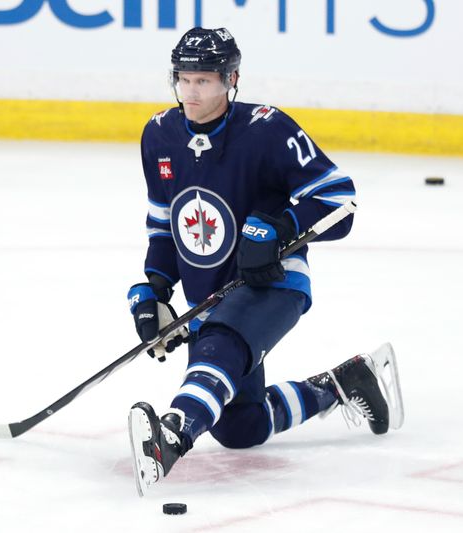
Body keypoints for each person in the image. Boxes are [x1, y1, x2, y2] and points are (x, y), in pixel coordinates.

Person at [126, 27, 403, 497]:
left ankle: (172, 435)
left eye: (204, 81)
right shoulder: (158, 135)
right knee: (240, 428)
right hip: (212, 296)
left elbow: (340, 201)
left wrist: (281, 227)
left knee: (220, 344)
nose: (191, 93)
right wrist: (154, 288)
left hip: (273, 284)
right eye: (184, 80)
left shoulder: (267, 129)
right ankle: (343, 384)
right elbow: (163, 224)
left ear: (232, 79)